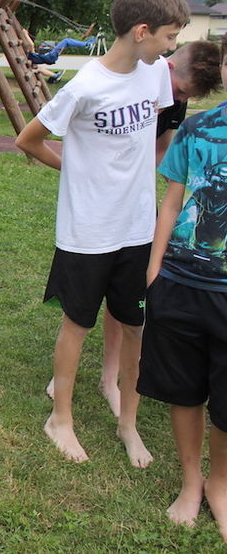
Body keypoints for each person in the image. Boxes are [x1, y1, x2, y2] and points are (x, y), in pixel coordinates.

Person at [15, 0, 189, 466]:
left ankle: (128, 424)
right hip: (88, 231)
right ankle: (60, 420)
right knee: (77, 325)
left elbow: (149, 140)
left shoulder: (155, 76)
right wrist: (72, 168)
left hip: (138, 227)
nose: (171, 48)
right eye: (169, 37)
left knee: (135, 326)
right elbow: (28, 140)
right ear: (141, 30)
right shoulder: (85, 87)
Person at [44, 38, 224, 416]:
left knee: (126, 304)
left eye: (185, 97)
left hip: (135, 215)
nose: (177, 100)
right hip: (95, 216)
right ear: (167, 68)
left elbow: (161, 146)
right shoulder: (133, 80)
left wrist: (167, 186)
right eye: (180, 91)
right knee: (82, 306)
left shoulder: (172, 97)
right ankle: (65, 377)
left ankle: (110, 376)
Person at [136, 33, 227, 537]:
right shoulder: (196, 128)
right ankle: (192, 482)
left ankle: (220, 484)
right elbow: (173, 200)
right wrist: (154, 269)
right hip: (181, 280)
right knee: (184, 390)